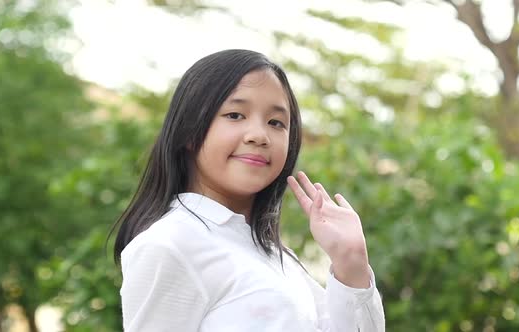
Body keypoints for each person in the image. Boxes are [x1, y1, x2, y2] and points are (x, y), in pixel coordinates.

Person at [112, 49, 385, 331]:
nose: (259, 135)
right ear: (190, 131)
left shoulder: (276, 257)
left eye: (276, 122)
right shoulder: (169, 245)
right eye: (234, 114)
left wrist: (351, 263)